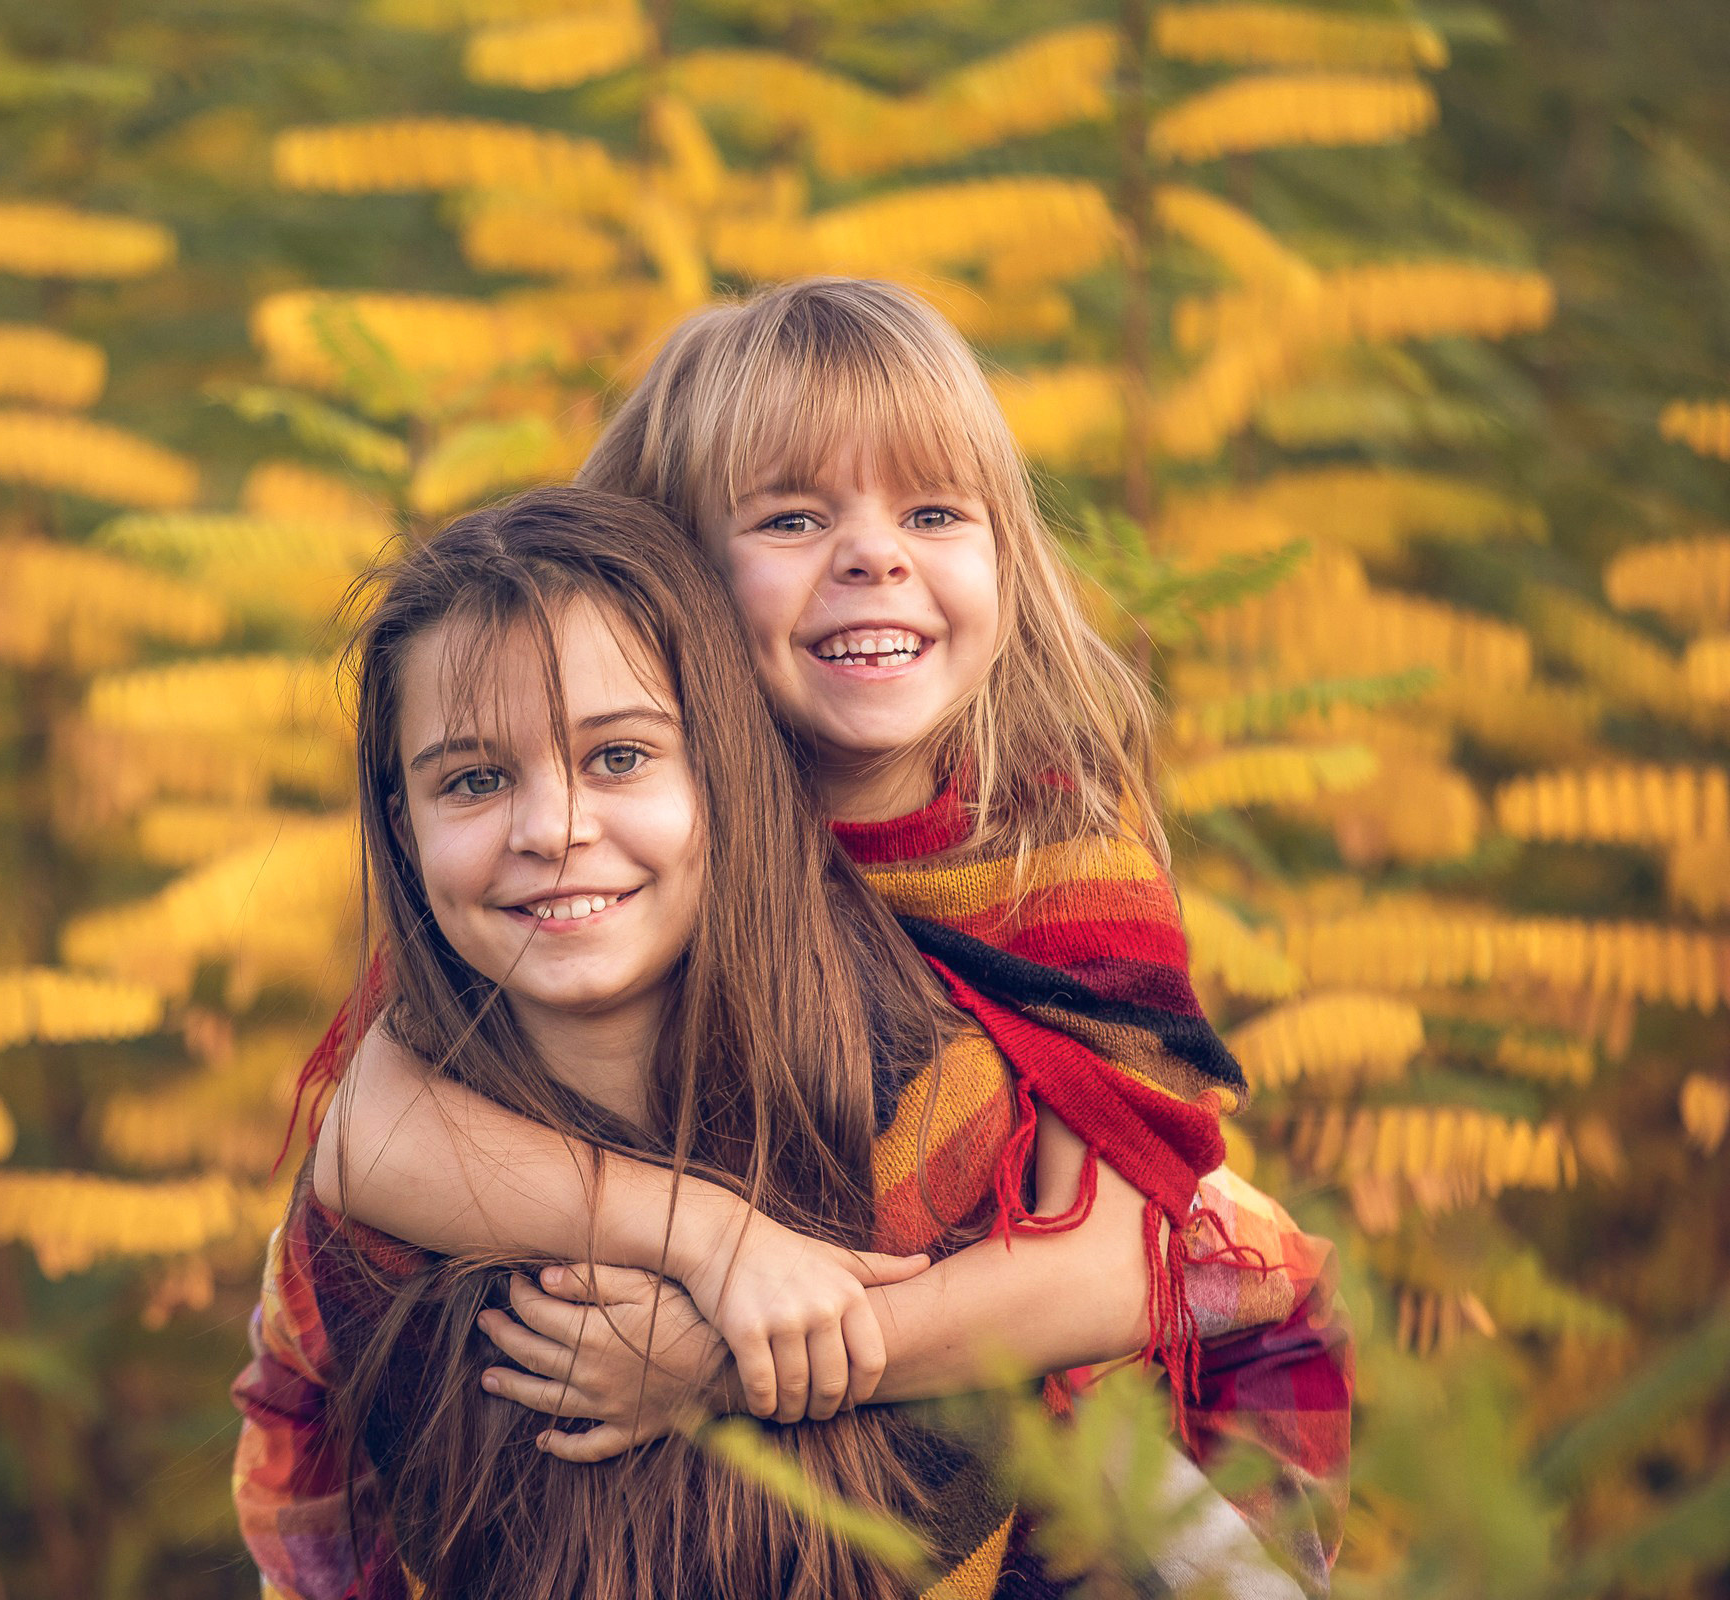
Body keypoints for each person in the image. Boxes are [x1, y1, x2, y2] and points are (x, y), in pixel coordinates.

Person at [245, 280, 1350, 1592]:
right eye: (792, 517)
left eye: (935, 512)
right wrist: (713, 1243)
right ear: (673, 578)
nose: (876, 557)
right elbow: (373, 1131)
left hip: (1079, 1384)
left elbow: (1127, 1264)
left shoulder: (1050, 856)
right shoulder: (609, 808)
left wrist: (723, 1352)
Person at [241, 485, 1066, 1599]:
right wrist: (706, 1241)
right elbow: (323, 1530)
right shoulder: (369, 1231)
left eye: (619, 757)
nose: (553, 830)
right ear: (404, 825)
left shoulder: (929, 1103)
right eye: (474, 781)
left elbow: (1174, 1359)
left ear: (718, 770)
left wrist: (749, 1351)